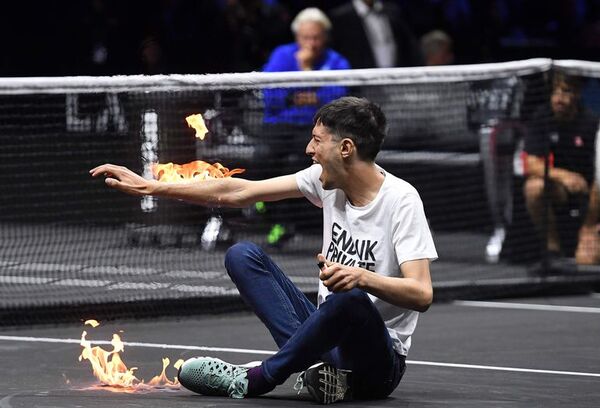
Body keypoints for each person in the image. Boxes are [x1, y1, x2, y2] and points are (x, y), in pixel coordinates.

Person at [90, 96, 437, 403]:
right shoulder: (323, 180)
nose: (308, 150)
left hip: (377, 362)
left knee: (350, 301)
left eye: (317, 141)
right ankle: (318, 371)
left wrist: (361, 278)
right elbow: (238, 191)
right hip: (325, 340)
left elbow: (421, 294)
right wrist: (152, 187)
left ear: (345, 148)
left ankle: (257, 378)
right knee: (242, 255)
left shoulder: (401, 201)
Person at [260, 7, 350, 245]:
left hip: (318, 129)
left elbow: (337, 100)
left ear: (326, 37)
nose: (311, 43)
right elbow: (271, 99)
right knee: (264, 158)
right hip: (279, 127)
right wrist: (308, 89)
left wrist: (305, 75)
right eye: (306, 37)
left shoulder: (337, 61)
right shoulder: (282, 55)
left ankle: (299, 223)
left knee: (299, 162)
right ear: (297, 37)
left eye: (316, 37)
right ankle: (275, 220)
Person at [523, 72, 600, 265]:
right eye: (555, 92)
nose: (559, 98)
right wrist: (564, 176)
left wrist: (589, 226)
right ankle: (552, 250)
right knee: (533, 188)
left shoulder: (591, 123)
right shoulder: (542, 117)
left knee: (586, 261)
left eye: (565, 92)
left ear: (577, 94)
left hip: (591, 194)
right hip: (561, 188)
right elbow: (531, 163)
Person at [328, 0, 422, 69]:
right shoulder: (340, 18)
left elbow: (408, 47)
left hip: (396, 81)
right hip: (361, 86)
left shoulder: (393, 11)